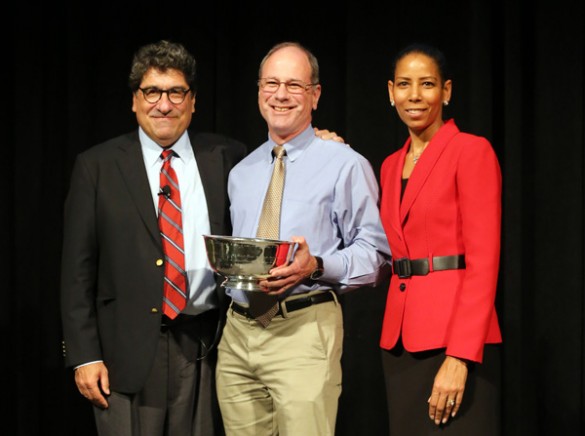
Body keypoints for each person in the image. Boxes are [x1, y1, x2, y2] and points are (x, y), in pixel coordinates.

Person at [60, 40, 247, 436]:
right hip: (122, 354)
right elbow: (77, 271)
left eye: (176, 92)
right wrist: (84, 356)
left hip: (204, 347)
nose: (164, 104)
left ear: (192, 100)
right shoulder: (97, 166)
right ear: (134, 100)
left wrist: (320, 142)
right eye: (152, 92)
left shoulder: (228, 156)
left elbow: (276, 168)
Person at [215, 41, 392, 436]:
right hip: (238, 334)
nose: (280, 95)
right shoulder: (241, 172)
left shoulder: (345, 164)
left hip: (303, 328)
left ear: (315, 95)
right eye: (271, 83)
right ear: (259, 90)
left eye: (294, 85)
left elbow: (377, 256)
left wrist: (316, 266)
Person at [379, 42, 503, 435]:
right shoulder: (389, 165)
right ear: (390, 92)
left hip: (454, 340)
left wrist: (461, 356)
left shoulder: (471, 151)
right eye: (404, 84)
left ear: (446, 91)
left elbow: (483, 263)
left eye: (427, 84)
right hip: (400, 341)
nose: (414, 95)